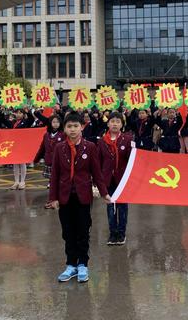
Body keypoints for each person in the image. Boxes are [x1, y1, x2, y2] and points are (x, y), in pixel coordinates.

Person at [49, 112, 111, 282]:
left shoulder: (90, 147)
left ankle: (83, 264)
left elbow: (97, 173)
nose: (73, 129)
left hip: (83, 196)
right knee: (68, 233)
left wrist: (104, 192)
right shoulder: (59, 148)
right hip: (64, 196)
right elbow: (55, 174)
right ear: (64, 129)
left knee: (83, 231)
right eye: (69, 126)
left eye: (76, 126)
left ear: (82, 128)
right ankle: (71, 265)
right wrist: (53, 197)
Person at [97, 111, 134, 245]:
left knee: (122, 207)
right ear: (108, 123)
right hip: (107, 180)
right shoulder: (101, 142)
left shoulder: (127, 139)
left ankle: (121, 233)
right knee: (110, 207)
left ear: (122, 125)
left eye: (118, 122)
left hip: (122, 180)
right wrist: (98, 180)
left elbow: (132, 160)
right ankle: (113, 233)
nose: (115, 124)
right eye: (112, 121)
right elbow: (98, 162)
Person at [34, 114, 64, 208]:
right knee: (52, 182)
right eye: (53, 122)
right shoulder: (46, 135)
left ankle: (59, 199)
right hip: (49, 161)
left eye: (57, 122)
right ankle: (52, 200)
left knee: (59, 182)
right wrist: (36, 159)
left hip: (60, 162)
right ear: (50, 123)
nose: (55, 124)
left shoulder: (63, 135)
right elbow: (42, 148)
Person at [10, 108, 34, 190]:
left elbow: (32, 119)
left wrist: (28, 111)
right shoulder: (13, 122)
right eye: (17, 113)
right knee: (15, 163)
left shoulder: (26, 121)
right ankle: (16, 181)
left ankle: (22, 181)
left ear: (23, 114)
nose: (18, 114)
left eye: (20, 113)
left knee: (22, 163)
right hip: (14, 144)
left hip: (23, 144)